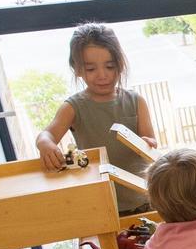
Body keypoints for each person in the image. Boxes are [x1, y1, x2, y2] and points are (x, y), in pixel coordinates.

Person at [35, 23, 158, 214]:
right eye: (91, 69)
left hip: (144, 194)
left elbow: (150, 141)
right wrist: (45, 143)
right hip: (103, 200)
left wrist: (148, 142)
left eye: (110, 66)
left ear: (120, 64)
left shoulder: (136, 101)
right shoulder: (74, 107)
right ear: (77, 69)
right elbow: (47, 134)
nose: (102, 75)